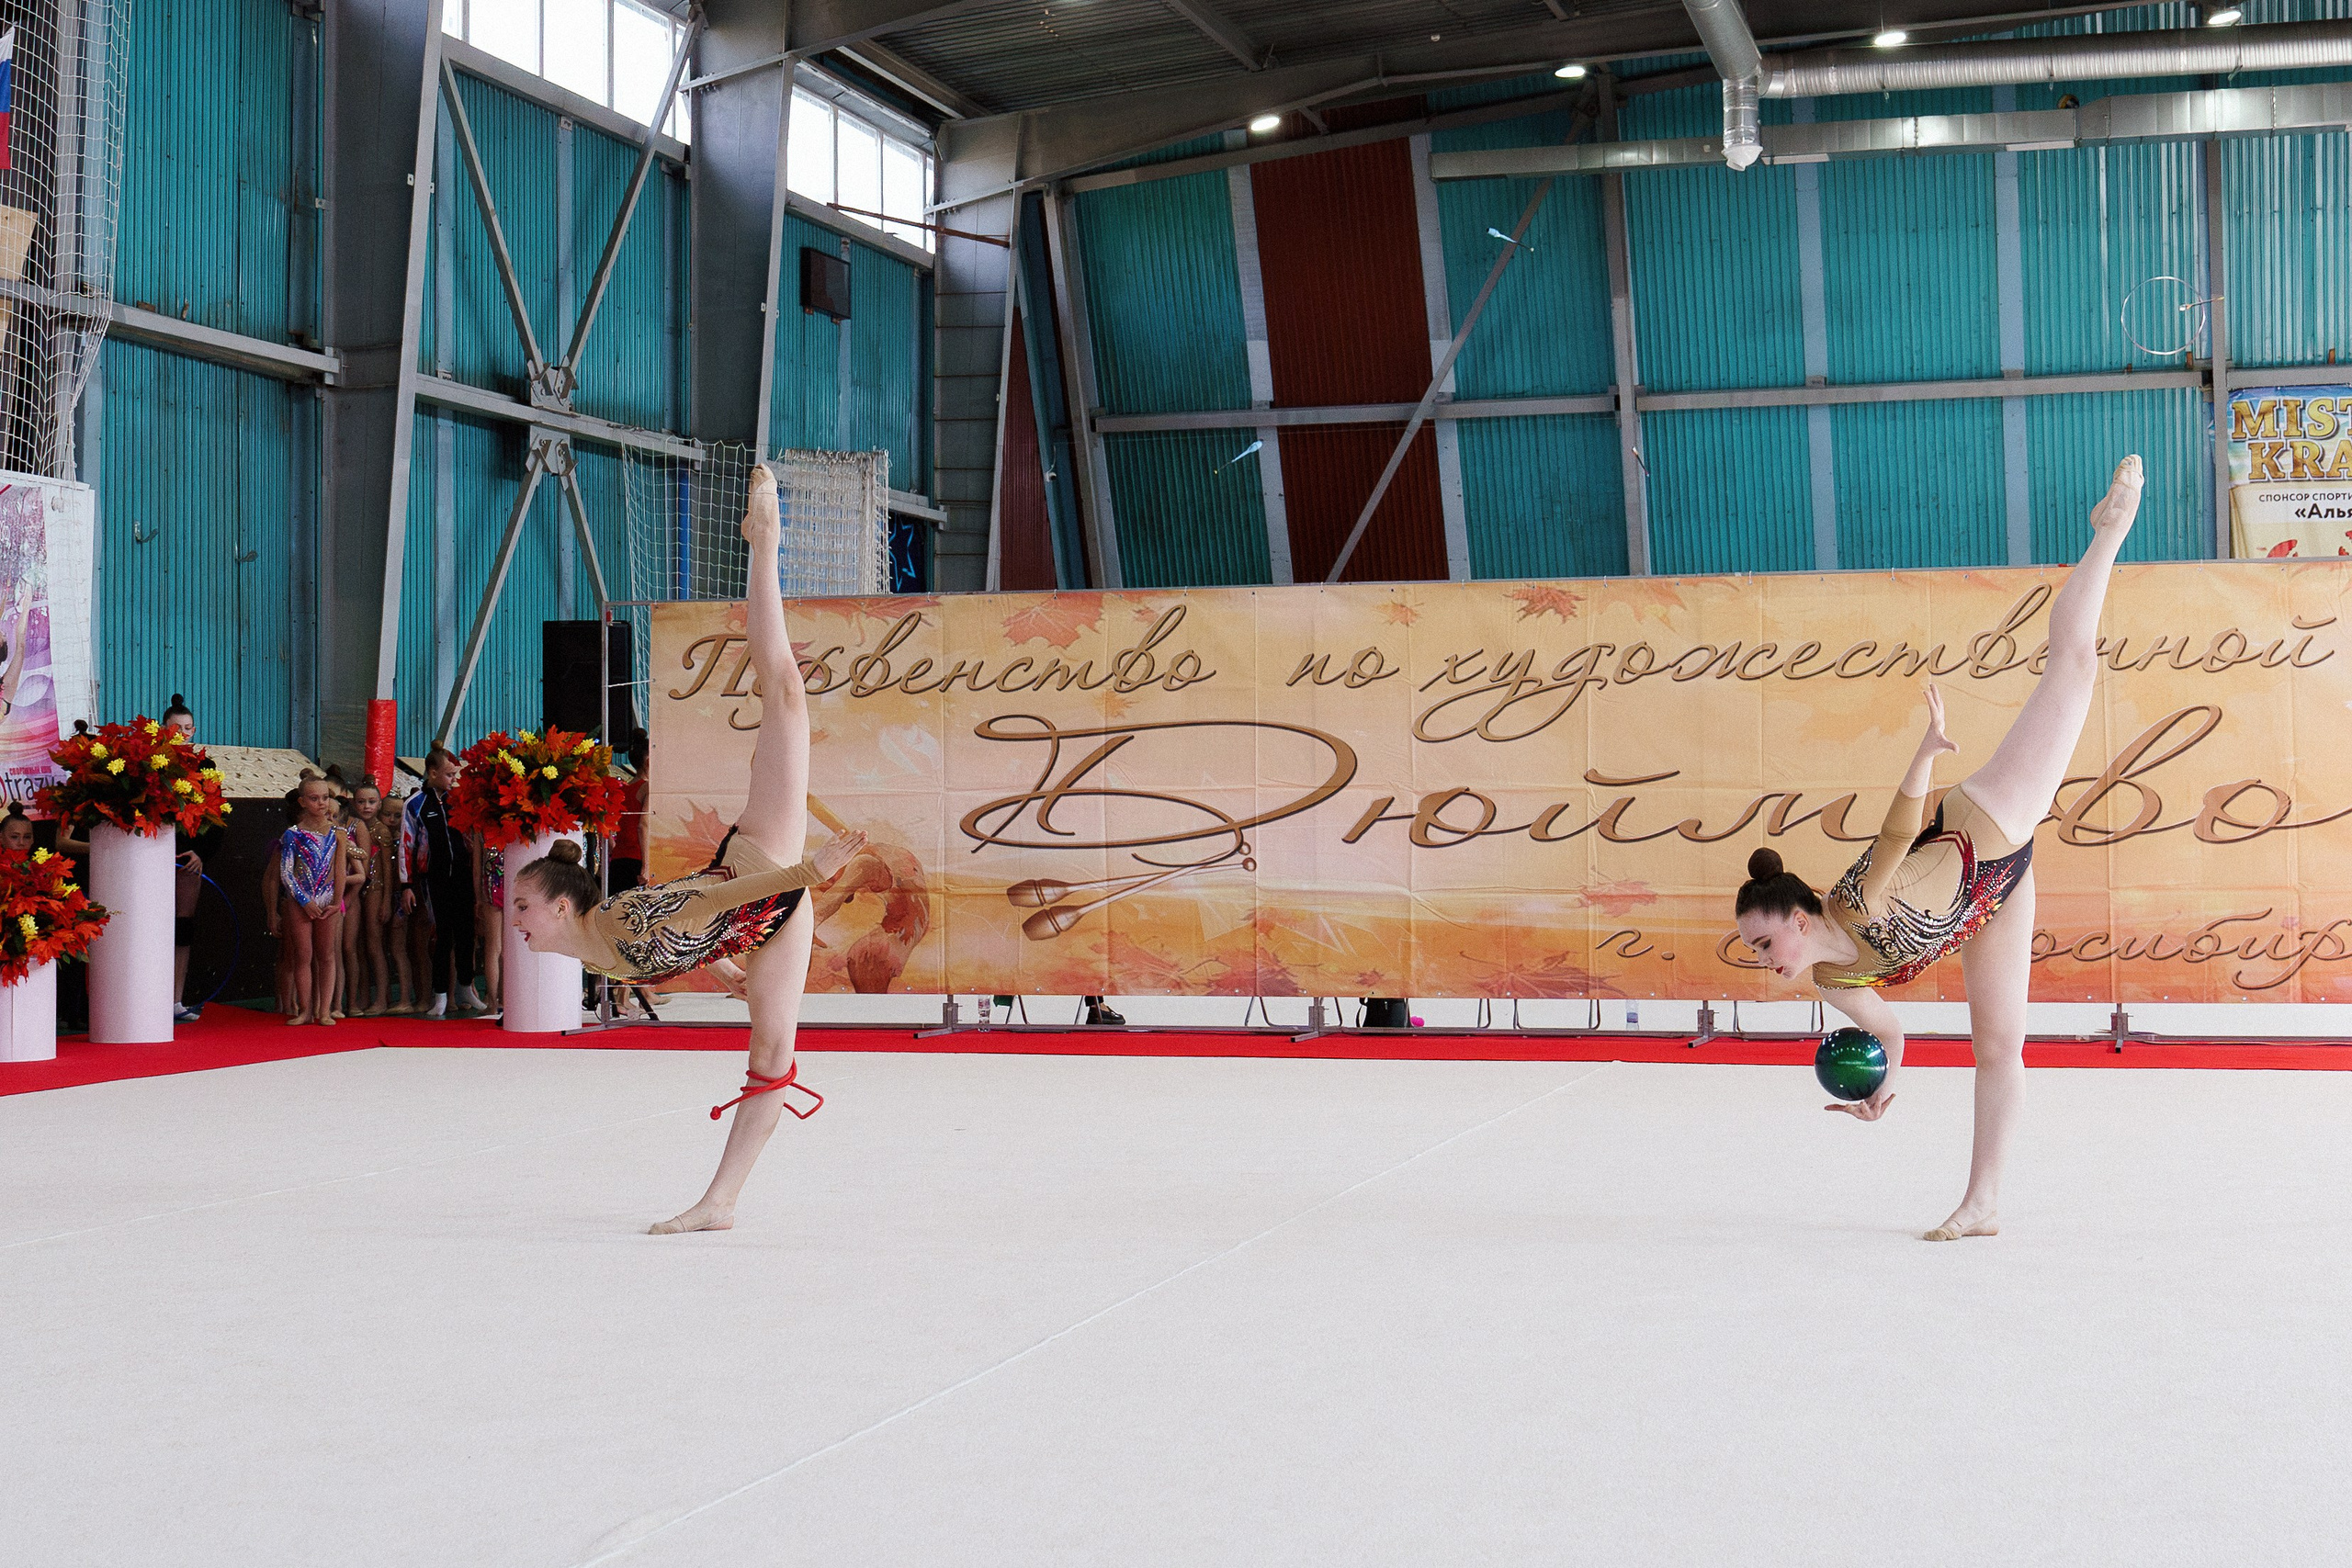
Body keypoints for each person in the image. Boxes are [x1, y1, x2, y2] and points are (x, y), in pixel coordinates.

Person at [1734, 455, 2144, 1244]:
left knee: (2074, 667)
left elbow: (1896, 832)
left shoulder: (1852, 904)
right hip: (1992, 898)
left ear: (1797, 916)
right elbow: (1890, 1031)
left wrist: (1925, 753)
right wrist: (1878, 1085)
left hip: (1988, 824)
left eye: (1762, 942)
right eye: (1754, 951)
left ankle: (2110, 530)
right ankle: (1983, 1202)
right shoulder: (1832, 978)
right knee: (2000, 1048)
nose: (1762, 959)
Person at [508, 464, 864, 1234]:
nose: (517, 921)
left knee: (787, 696)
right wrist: (727, 965)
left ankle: (763, 542)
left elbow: (709, 898)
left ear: (562, 905)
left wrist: (808, 872)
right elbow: (690, 935)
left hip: (760, 868)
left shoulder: (618, 925)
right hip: (762, 919)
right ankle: (721, 1203)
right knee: (771, 1056)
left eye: (523, 906)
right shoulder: (598, 957)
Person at [270, 771, 364, 1027]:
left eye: (325, 798)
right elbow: (286, 873)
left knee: (327, 955)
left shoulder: (338, 833)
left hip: (328, 900)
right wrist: (304, 901)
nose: (321, 803)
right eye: (314, 798)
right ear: (302, 802)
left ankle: (324, 1011)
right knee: (303, 955)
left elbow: (340, 871)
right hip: (301, 901)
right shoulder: (293, 834)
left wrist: (336, 902)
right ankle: (305, 1010)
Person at [398, 746, 484, 1017]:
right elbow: (406, 846)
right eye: (448, 775)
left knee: (467, 934)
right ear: (432, 773)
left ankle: (466, 988)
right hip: (434, 878)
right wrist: (406, 886)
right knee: (442, 936)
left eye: (455, 775)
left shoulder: (459, 801)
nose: (453, 780)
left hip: (463, 875)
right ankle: (440, 995)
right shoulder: (415, 804)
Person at [164, 697, 226, 1023]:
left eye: (188, 728)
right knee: (151, 925)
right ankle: (147, 995)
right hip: (153, 854)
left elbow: (217, 816)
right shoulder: (150, 763)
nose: (182, 734)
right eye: (176, 728)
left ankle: (176, 999)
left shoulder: (206, 767)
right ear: (163, 730)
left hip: (188, 856)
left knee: (182, 926)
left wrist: (201, 853)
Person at [343, 778, 392, 1016]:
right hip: (360, 890)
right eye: (361, 802)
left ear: (380, 804)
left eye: (372, 802)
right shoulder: (353, 828)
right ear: (353, 803)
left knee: (374, 945)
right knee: (359, 947)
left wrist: (386, 900)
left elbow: (388, 869)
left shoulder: (381, 831)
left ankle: (382, 998)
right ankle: (362, 996)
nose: (366, 807)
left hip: (376, 889)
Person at [472, 829, 504, 1020]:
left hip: (492, 884)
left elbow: (477, 869)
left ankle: (492, 1003)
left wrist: (478, 898)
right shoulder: (518, 821)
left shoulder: (480, 828)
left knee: (493, 948)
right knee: (507, 949)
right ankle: (505, 999)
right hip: (512, 884)